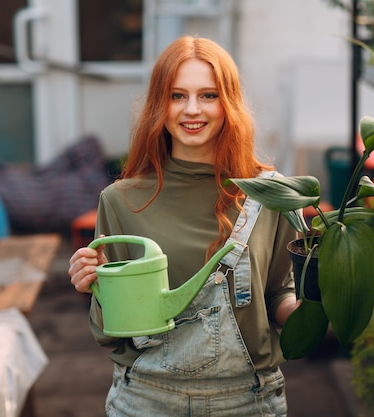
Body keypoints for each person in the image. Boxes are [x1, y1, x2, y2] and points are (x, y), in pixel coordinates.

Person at [68, 36, 299, 416]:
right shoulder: (121, 200)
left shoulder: (270, 194)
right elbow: (113, 329)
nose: (193, 110)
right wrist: (92, 285)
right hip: (146, 400)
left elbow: (277, 295)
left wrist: (318, 304)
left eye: (208, 95)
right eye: (178, 96)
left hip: (248, 402)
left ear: (229, 103)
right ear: (160, 105)